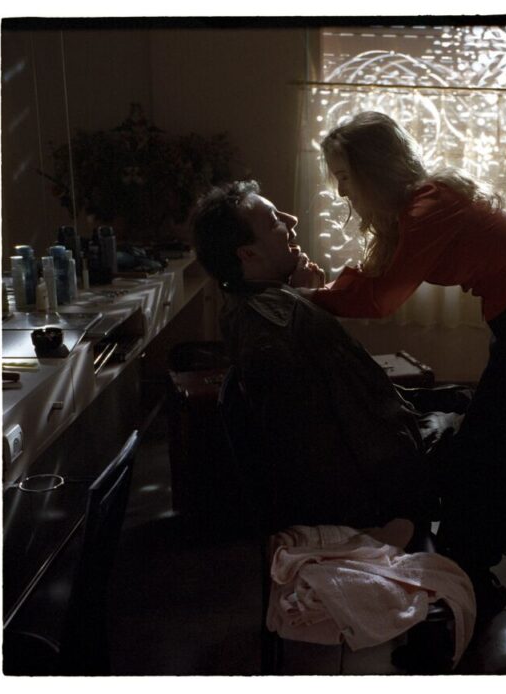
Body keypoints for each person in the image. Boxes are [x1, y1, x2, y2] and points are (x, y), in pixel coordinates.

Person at [290, 111, 506, 615]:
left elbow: (382, 298)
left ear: (372, 169)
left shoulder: (428, 205)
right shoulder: (419, 207)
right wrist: (318, 294)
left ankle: (474, 576)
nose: (343, 193)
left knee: (486, 445)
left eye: (345, 178)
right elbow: (376, 285)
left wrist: (306, 296)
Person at [190, 179, 459, 534]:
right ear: (248, 254)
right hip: (382, 487)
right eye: (274, 221)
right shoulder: (280, 330)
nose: (291, 222)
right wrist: (396, 514)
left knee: (469, 403)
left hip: (380, 458)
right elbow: (320, 452)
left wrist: (300, 296)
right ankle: (471, 568)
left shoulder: (248, 308)